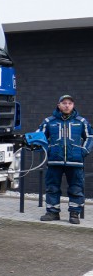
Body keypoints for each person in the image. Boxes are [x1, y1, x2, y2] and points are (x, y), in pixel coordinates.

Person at [38, 94, 92, 224]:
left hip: (75, 162)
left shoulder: (81, 122)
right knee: (52, 187)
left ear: (73, 105)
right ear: (59, 105)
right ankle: (52, 212)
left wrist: (84, 151)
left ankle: (74, 214)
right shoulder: (48, 122)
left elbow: (90, 137)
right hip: (54, 161)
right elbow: (39, 138)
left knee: (76, 188)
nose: (67, 105)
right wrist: (47, 150)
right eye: (64, 103)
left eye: (70, 103)